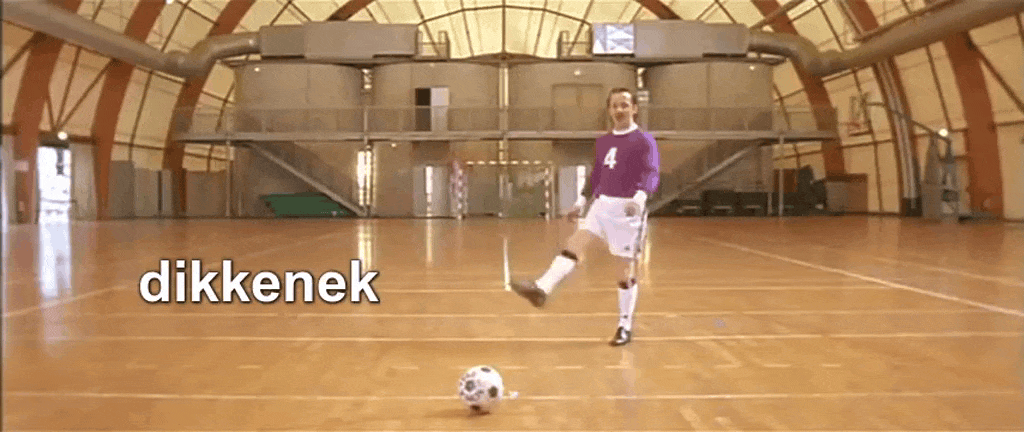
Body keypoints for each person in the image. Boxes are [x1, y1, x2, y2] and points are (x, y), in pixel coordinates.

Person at [510, 87, 660, 346]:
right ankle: (542, 289)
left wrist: (638, 199)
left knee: (623, 273)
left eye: (624, 105)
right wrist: (580, 203)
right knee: (573, 245)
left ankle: (625, 326)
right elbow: (596, 176)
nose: (619, 110)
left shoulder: (644, 141)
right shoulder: (603, 142)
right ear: (609, 110)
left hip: (627, 211)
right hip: (602, 205)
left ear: (634, 108)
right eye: (615, 105)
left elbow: (651, 172)